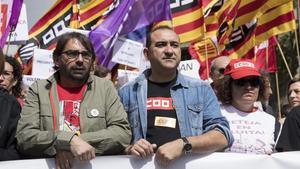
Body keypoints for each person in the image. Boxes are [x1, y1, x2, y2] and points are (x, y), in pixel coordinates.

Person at [118, 26, 233, 166]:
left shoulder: (201, 89)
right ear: (147, 54)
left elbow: (223, 135)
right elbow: (117, 138)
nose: (169, 51)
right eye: (161, 45)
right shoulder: (127, 92)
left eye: (174, 45)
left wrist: (183, 144)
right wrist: (130, 148)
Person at [16, 32, 131, 168]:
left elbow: (122, 133)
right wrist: (69, 141)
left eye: (86, 54)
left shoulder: (105, 88)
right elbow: (25, 137)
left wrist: (72, 142)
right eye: (72, 54)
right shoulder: (39, 89)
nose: (80, 60)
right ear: (56, 59)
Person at [215, 58, 276, 154]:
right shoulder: (215, 114)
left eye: (254, 82)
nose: (248, 87)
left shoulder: (270, 120)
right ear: (228, 86)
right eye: (241, 82)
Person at [0, 50, 21, 160]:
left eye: (6, 73)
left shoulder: (16, 106)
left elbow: (17, 150)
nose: (0, 78)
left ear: (15, 81)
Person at [276, 78, 300, 151]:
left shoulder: (295, 114)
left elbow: (287, 153)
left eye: (297, 91)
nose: (291, 96)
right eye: (289, 93)